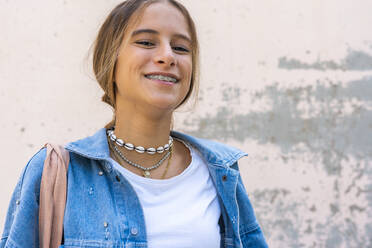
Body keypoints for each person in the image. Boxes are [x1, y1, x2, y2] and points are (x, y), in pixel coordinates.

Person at [1, 0, 268, 247]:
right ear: (110, 60)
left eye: (181, 48)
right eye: (146, 42)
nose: (168, 56)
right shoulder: (56, 171)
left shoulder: (221, 173)